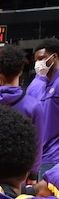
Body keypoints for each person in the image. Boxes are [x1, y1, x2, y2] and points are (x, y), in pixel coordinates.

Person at [0, 44, 44, 182]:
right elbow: (37, 144)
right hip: (19, 176)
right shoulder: (34, 106)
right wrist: (33, 175)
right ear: (20, 72)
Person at [31, 38, 59, 179]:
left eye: (41, 58)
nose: (38, 64)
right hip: (42, 158)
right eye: (36, 60)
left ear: (54, 57)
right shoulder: (40, 88)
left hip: (56, 159)